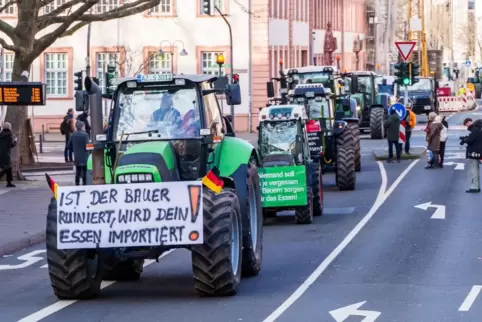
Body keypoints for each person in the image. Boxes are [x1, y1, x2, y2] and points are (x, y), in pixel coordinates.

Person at [461, 118, 482, 193]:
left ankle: (475, 187)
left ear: (470, 122)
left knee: (474, 170)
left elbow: (470, 140)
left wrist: (465, 140)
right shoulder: (479, 130)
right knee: (476, 169)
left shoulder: (474, 130)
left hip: (473, 152)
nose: (466, 126)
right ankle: (477, 186)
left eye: (466, 124)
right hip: (478, 152)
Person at [68, 121, 90, 186]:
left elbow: (68, 145)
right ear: (82, 126)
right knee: (84, 171)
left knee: (78, 171)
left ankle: (77, 184)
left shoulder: (73, 135)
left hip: (77, 156)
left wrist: (74, 150)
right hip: (85, 156)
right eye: (84, 126)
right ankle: (84, 184)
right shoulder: (85, 135)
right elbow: (88, 146)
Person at [0, 122, 17, 187]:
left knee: (8, 168)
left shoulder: (0, 134)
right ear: (9, 127)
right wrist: (15, 141)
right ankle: (9, 182)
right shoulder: (9, 135)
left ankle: (9, 182)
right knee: (7, 168)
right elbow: (11, 145)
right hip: (5, 154)